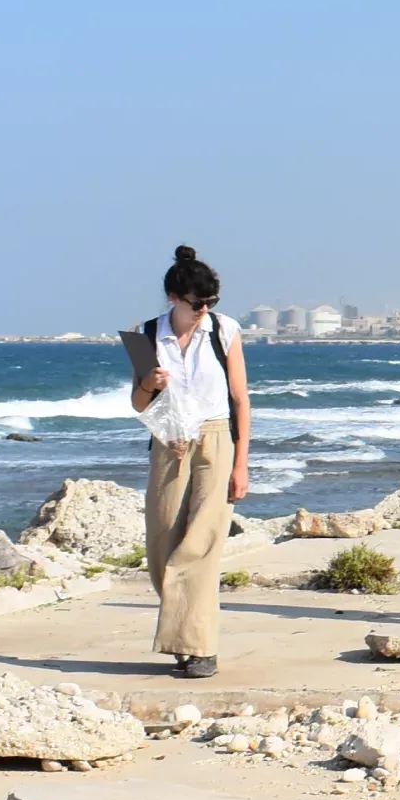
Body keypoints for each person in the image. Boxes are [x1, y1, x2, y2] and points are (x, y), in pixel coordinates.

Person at [132, 245, 250, 678]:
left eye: (210, 302)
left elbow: (241, 398)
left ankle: (201, 648)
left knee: (200, 544)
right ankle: (185, 637)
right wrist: (148, 382)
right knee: (163, 546)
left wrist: (241, 464)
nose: (203, 309)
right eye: (197, 302)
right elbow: (138, 402)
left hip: (217, 440)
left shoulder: (224, 330)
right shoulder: (146, 334)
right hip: (168, 440)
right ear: (174, 299)